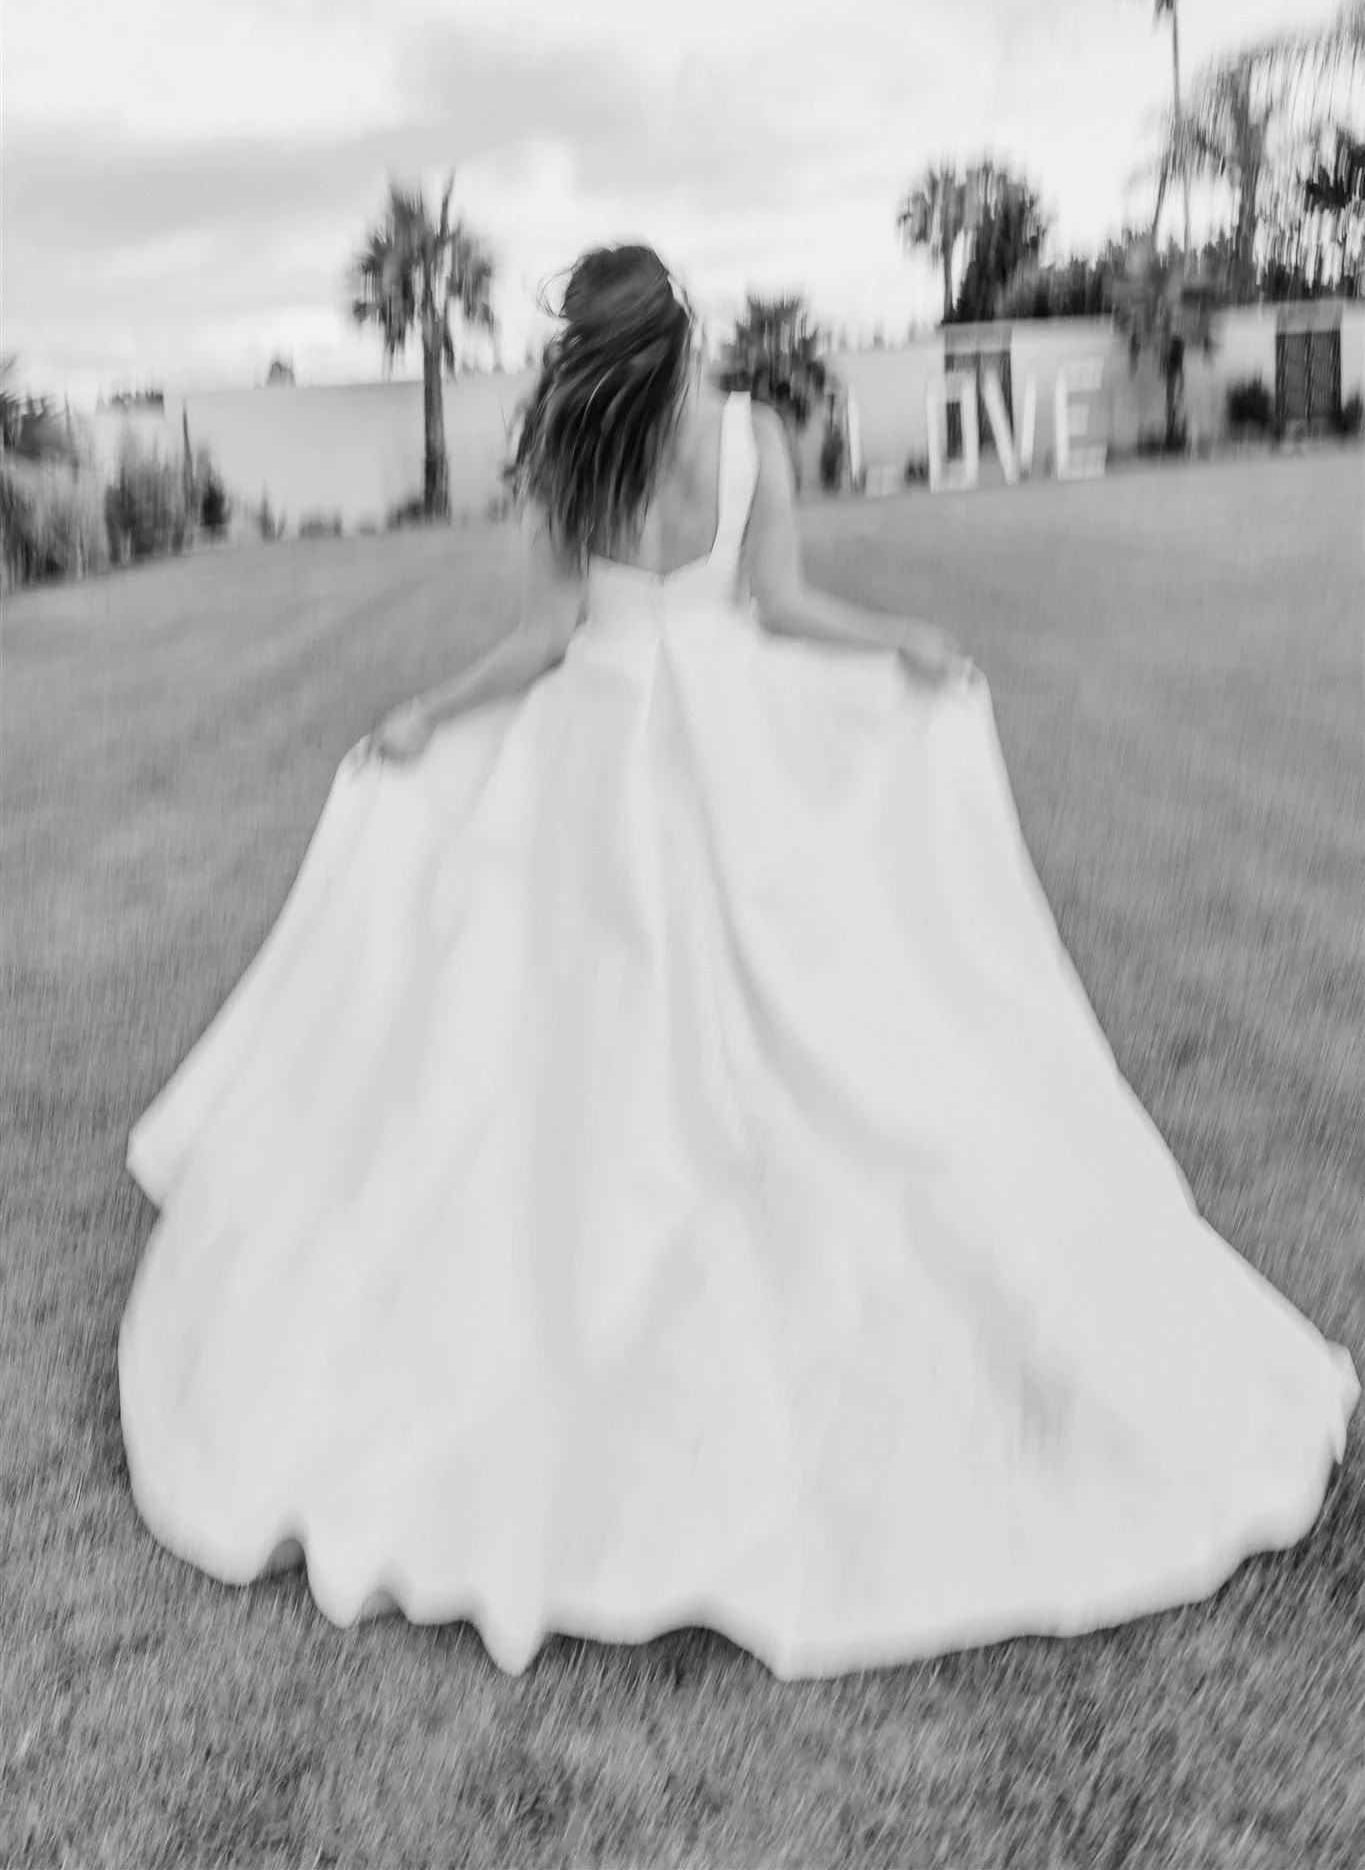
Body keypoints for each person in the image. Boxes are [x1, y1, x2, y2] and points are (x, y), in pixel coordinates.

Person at [120, 243, 1358, 1682]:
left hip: (591, 753)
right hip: (738, 747)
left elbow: (539, 645)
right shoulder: (751, 433)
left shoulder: (568, 454)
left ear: (580, 348)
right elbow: (781, 608)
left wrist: (423, 716)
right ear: (683, 325)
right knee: (809, 1015)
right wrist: (896, 640)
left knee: (555, 1041)